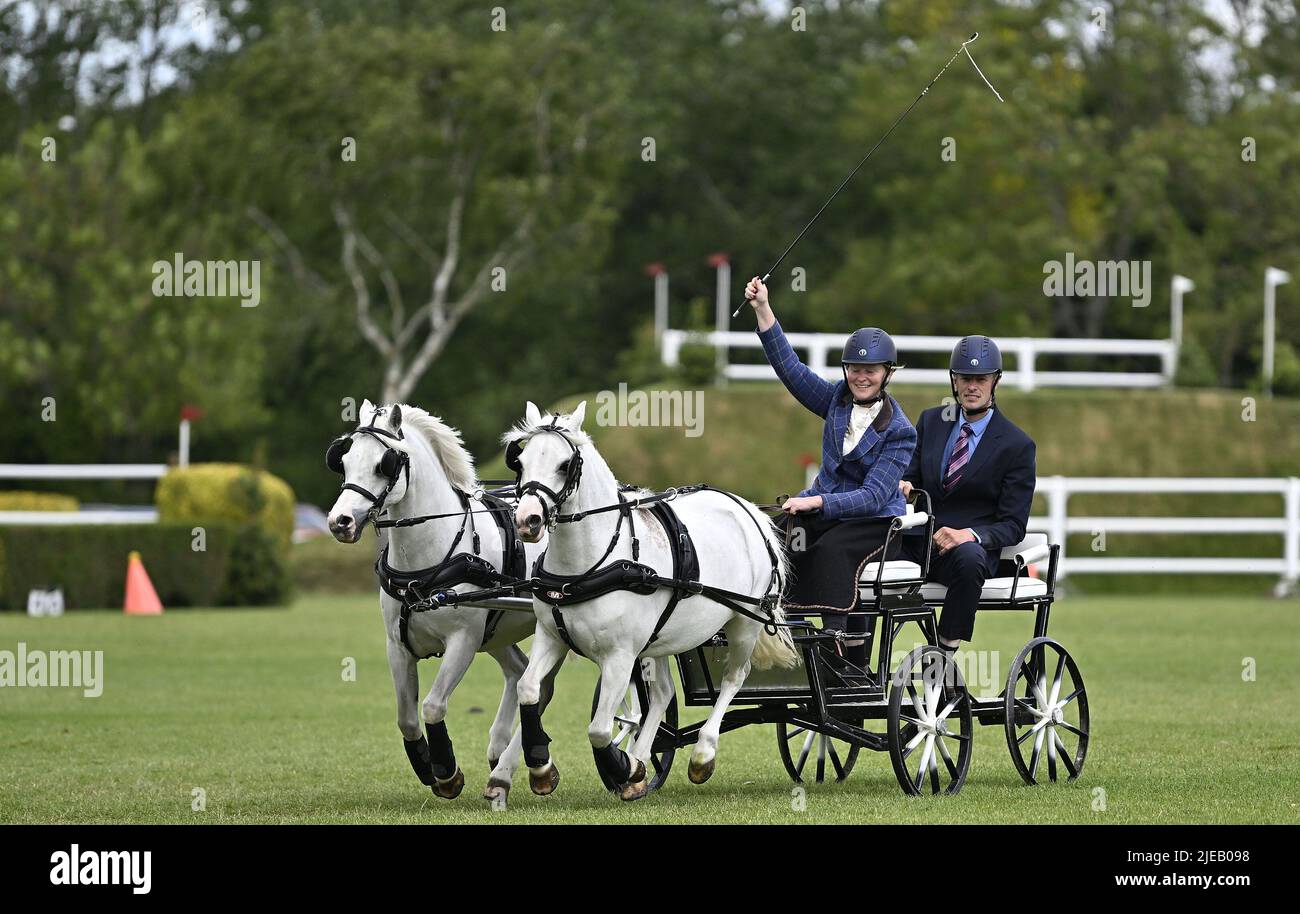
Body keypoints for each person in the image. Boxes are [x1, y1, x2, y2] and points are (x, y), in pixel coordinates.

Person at [744, 276, 917, 664]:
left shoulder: (901, 431)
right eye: (854, 368)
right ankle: (781, 635)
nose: (861, 376)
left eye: (870, 370)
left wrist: (817, 501)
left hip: (873, 523)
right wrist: (763, 309)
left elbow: (873, 496)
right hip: (822, 513)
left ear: (888, 373)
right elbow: (791, 370)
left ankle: (839, 647)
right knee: (774, 542)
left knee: (830, 551)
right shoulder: (836, 400)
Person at [898, 335, 1036, 653]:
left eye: (981, 379)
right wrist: (904, 484)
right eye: (965, 379)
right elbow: (911, 473)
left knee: (971, 559)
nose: (972, 386)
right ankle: (852, 657)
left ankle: (944, 652)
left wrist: (969, 535)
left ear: (995, 382)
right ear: (954, 381)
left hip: (965, 555)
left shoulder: (1017, 446)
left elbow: (1013, 525)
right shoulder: (931, 421)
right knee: (861, 549)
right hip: (919, 544)